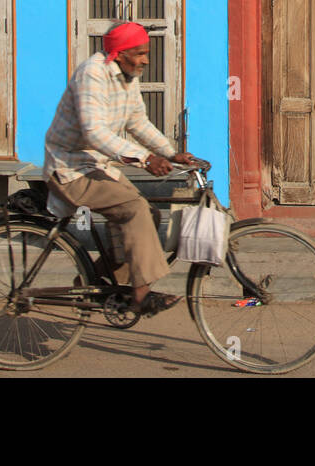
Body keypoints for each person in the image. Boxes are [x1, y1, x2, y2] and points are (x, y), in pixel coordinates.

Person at [44, 21, 202, 314]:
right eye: (140, 54)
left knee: (147, 214)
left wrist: (171, 152)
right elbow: (94, 132)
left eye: (146, 53)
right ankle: (142, 297)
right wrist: (144, 159)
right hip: (70, 168)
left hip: (95, 165)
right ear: (119, 53)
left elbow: (137, 122)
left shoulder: (128, 77)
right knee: (135, 209)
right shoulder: (92, 74)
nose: (146, 60)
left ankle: (99, 280)